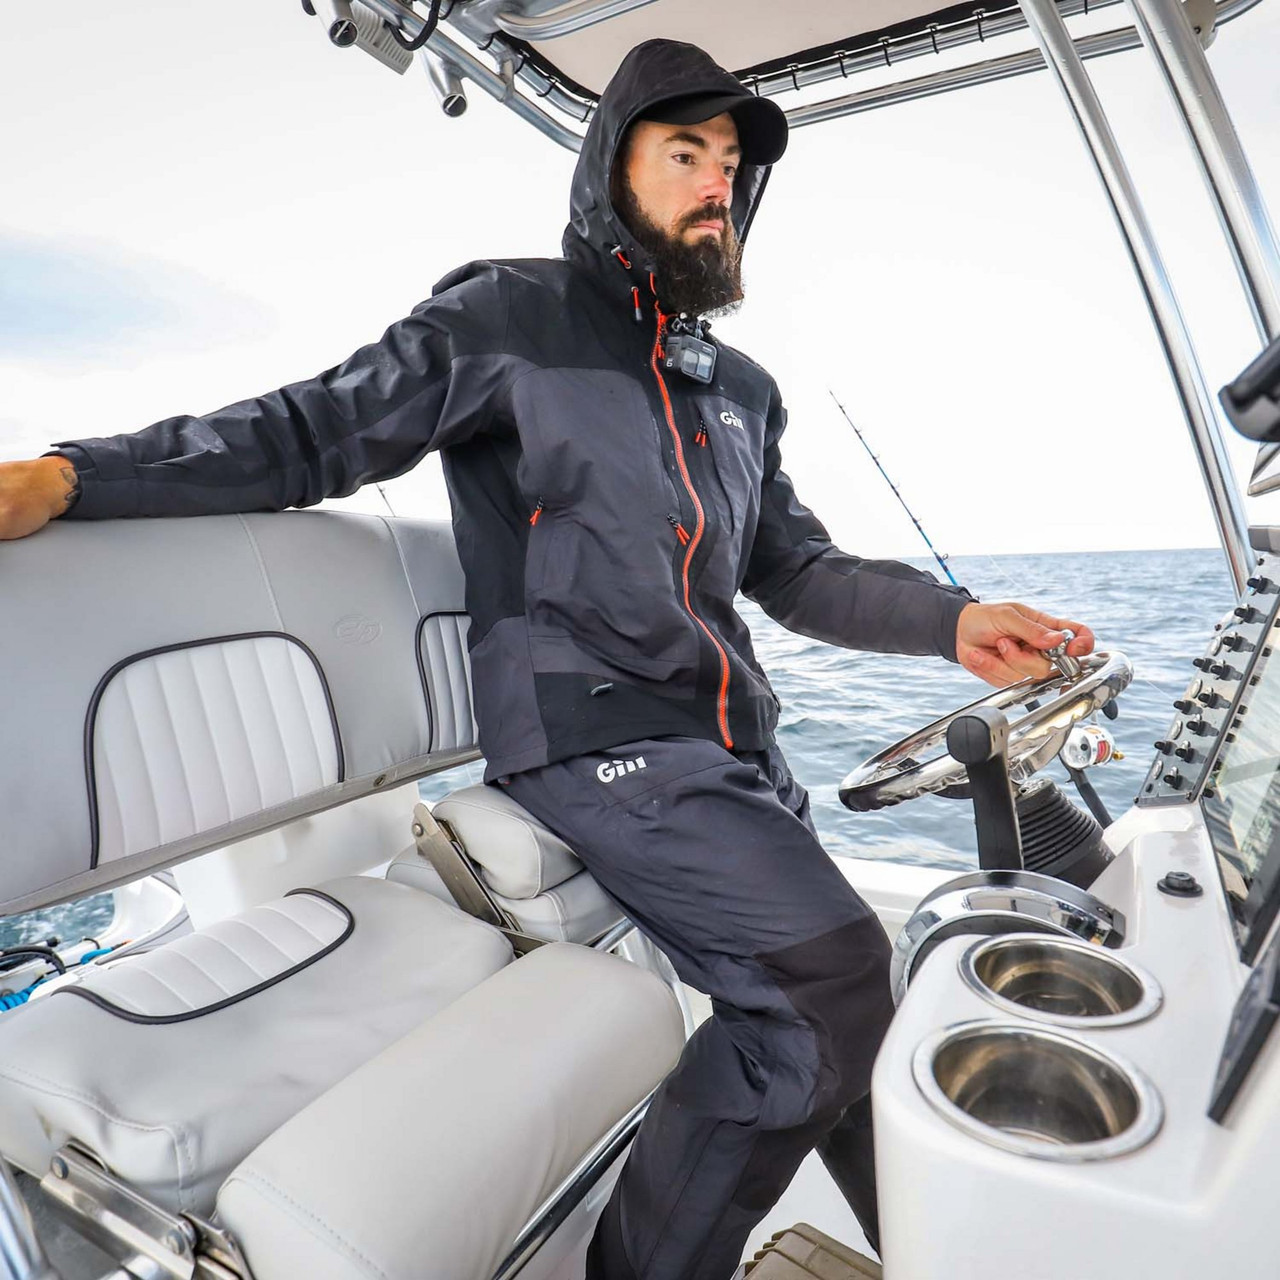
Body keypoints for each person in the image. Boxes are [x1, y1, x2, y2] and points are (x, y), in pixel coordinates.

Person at [0, 38, 1093, 1280]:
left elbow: (792, 567)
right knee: (817, 992)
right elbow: (316, 430)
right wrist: (77, 475)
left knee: (863, 1011)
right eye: (685, 152)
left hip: (731, 748)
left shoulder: (738, 387)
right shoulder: (507, 318)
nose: (715, 184)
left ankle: (934, 1252)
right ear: (608, 167)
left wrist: (950, 621)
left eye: (731, 166)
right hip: (594, 740)